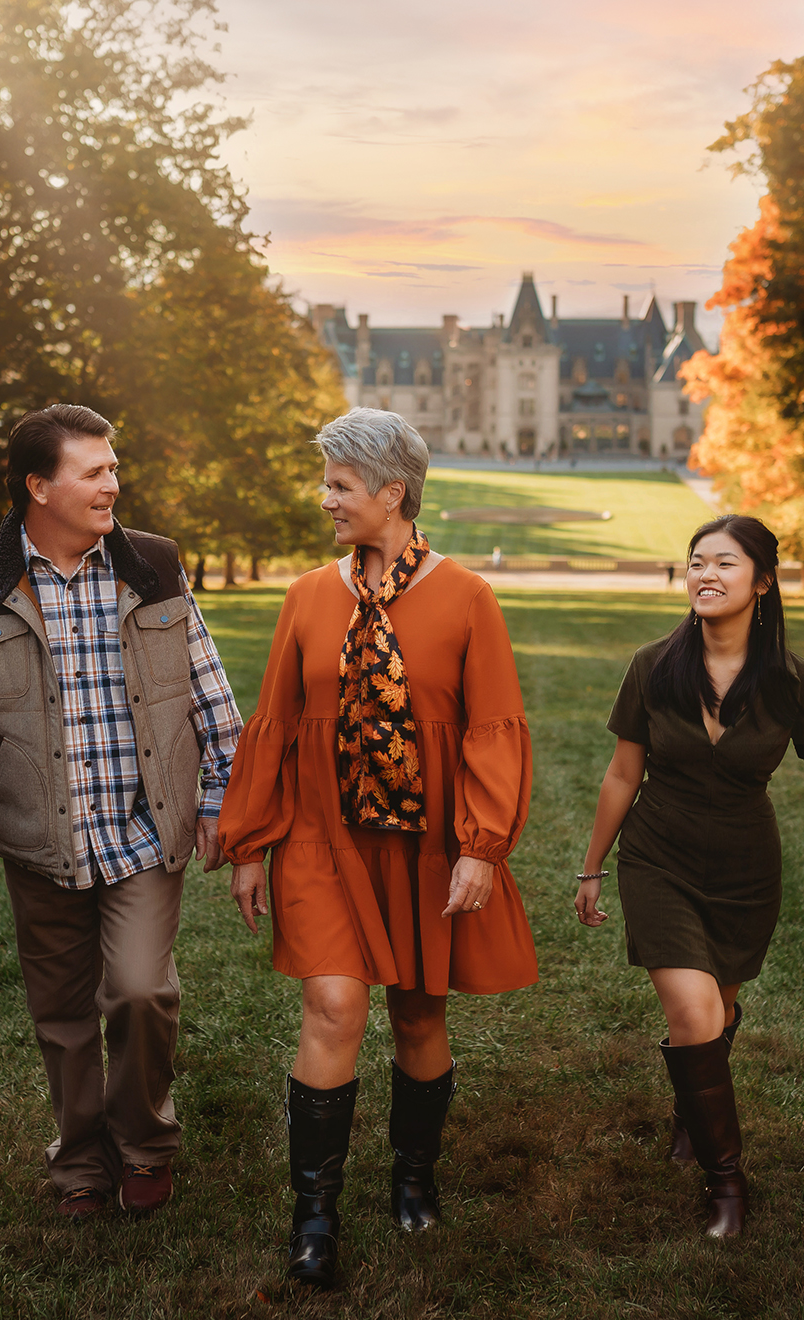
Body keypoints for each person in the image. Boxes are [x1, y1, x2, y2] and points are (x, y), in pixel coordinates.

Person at [219, 408, 539, 1288]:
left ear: (391, 493)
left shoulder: (468, 596)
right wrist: (249, 844)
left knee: (418, 1016)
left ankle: (413, 1179)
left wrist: (481, 847)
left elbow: (493, 731)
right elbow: (277, 724)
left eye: (339, 485)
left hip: (426, 848)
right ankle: (314, 1214)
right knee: (332, 1006)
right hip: (324, 838)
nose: (324, 499)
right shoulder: (308, 597)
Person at [0, 404, 242, 1221]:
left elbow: (211, 695)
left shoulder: (153, 567)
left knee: (137, 991)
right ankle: (81, 1163)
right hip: (39, 840)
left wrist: (222, 800)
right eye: (94, 472)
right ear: (38, 487)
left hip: (143, 830)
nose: (113, 484)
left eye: (113, 467)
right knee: (61, 1015)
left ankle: (145, 1145)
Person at [573, 514, 804, 1238]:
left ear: (762, 582)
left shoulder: (792, 682)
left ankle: (691, 1109)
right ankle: (727, 1181)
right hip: (658, 856)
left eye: (725, 564)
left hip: (744, 868)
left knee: (717, 1013)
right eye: (696, 562)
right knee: (693, 1013)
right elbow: (622, 773)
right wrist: (593, 867)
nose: (706, 575)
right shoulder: (653, 666)